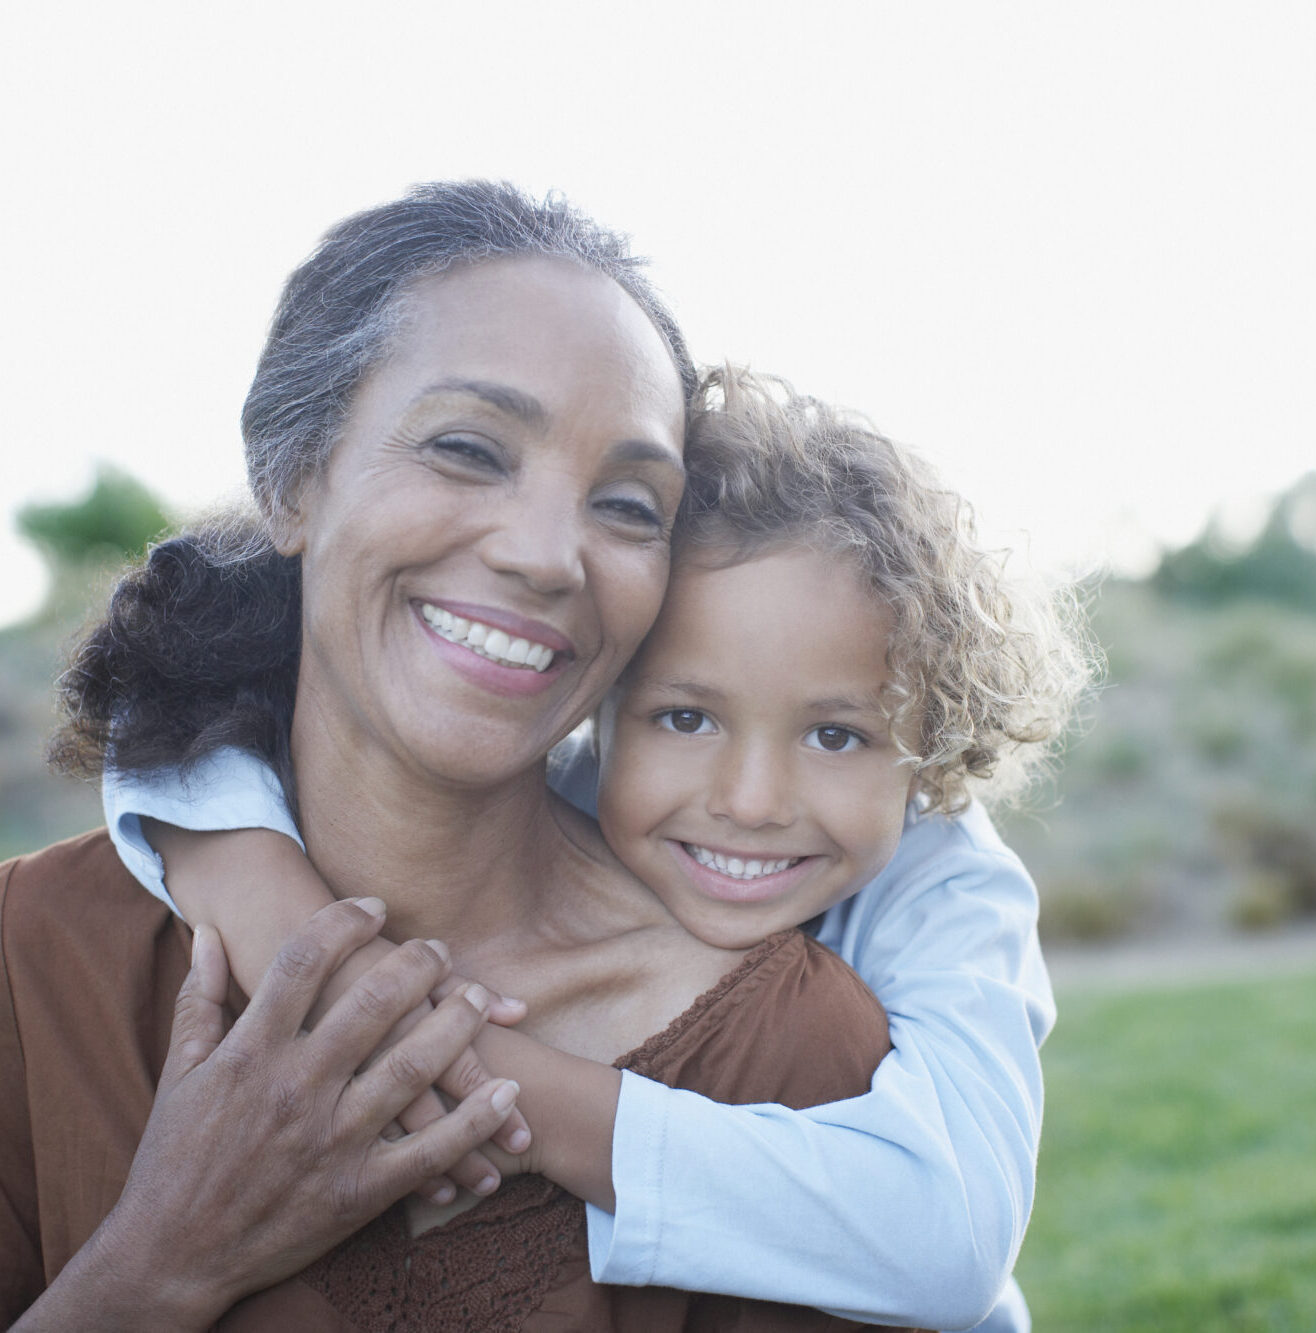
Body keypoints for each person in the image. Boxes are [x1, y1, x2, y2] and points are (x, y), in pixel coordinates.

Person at [0, 181, 904, 1331]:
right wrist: (165, 1257)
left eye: (628, 505)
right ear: (293, 479)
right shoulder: (34, 963)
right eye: (470, 449)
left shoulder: (786, 1048)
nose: (544, 554)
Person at [97, 369, 1088, 1329]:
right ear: (597, 696)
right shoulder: (565, 783)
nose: (748, 801)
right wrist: (249, 878)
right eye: (685, 717)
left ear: (931, 750)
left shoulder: (950, 887)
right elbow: (162, 703)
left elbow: (947, 1239)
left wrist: (475, 1076)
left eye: (836, 735)